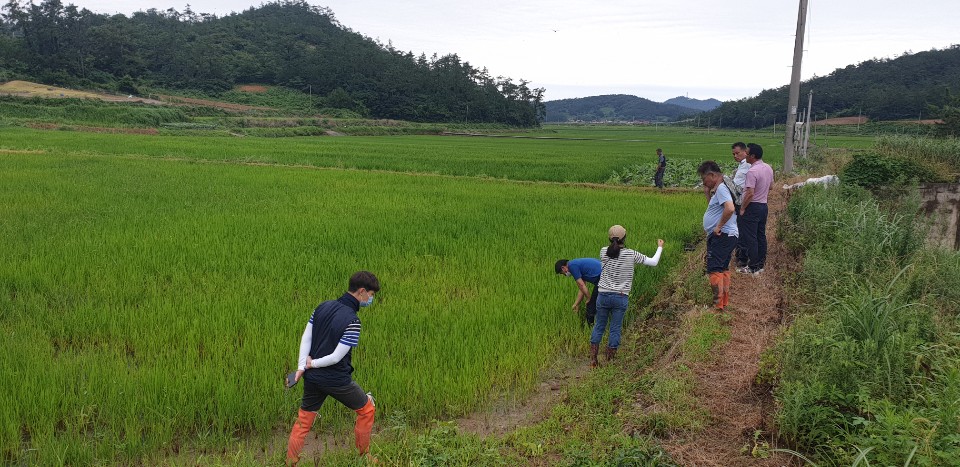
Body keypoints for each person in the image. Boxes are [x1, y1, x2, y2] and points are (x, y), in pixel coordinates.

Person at [287, 271, 380, 465]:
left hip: (312, 378)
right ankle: (365, 457)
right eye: (371, 295)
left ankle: (290, 462)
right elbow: (336, 357)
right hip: (337, 380)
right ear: (362, 292)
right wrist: (312, 363)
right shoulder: (353, 321)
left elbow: (306, 338)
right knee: (367, 409)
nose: (371, 299)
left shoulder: (322, 306)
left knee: (304, 420)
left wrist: (302, 366)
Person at [590, 225, 663, 367]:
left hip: (603, 295)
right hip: (620, 296)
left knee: (599, 326)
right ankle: (610, 362)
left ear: (609, 238)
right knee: (615, 328)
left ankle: (593, 360)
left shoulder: (603, 251)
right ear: (625, 238)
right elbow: (653, 262)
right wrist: (660, 246)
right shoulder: (631, 254)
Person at [697, 161, 739, 311]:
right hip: (729, 235)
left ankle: (717, 305)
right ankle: (723, 302)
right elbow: (715, 209)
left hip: (723, 235)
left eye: (704, 179)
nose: (704, 183)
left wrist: (718, 226)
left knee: (714, 268)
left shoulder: (721, 188)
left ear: (711, 175)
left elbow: (729, 208)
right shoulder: (723, 187)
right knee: (723, 268)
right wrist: (707, 194)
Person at [738, 143, 774, 275]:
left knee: (750, 237)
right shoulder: (768, 168)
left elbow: (750, 193)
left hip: (753, 207)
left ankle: (752, 267)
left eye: (747, 153)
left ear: (753, 156)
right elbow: (771, 187)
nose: (745, 155)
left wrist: (742, 208)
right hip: (764, 206)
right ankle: (760, 264)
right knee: (760, 235)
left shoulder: (752, 171)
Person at [555, 258, 602, 326]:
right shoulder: (575, 264)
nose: (565, 275)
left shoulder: (572, 266)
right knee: (598, 302)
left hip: (602, 277)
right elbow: (582, 288)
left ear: (563, 268)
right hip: (604, 276)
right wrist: (576, 304)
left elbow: (582, 285)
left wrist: (588, 298)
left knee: (591, 304)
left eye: (562, 273)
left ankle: (590, 326)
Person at [731, 142, 751, 268]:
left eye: (737, 153)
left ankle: (743, 258)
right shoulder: (742, 165)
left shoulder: (748, 165)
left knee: (742, 230)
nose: (735, 156)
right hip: (740, 201)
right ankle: (741, 256)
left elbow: (739, 186)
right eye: (733, 154)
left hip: (742, 202)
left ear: (745, 152)